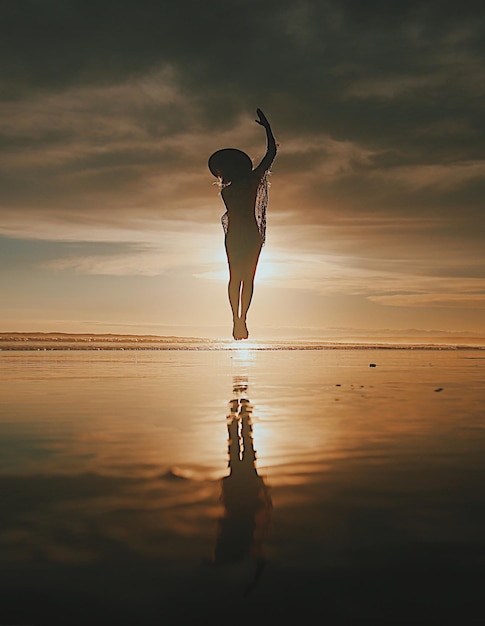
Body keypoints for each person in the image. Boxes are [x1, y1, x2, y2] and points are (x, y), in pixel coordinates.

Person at [208, 109, 277, 340]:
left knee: (236, 277)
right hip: (248, 234)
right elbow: (271, 154)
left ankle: (238, 320)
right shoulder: (249, 181)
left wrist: (268, 128)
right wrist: (267, 128)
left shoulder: (228, 188)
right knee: (246, 278)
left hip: (237, 234)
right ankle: (241, 319)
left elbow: (271, 154)